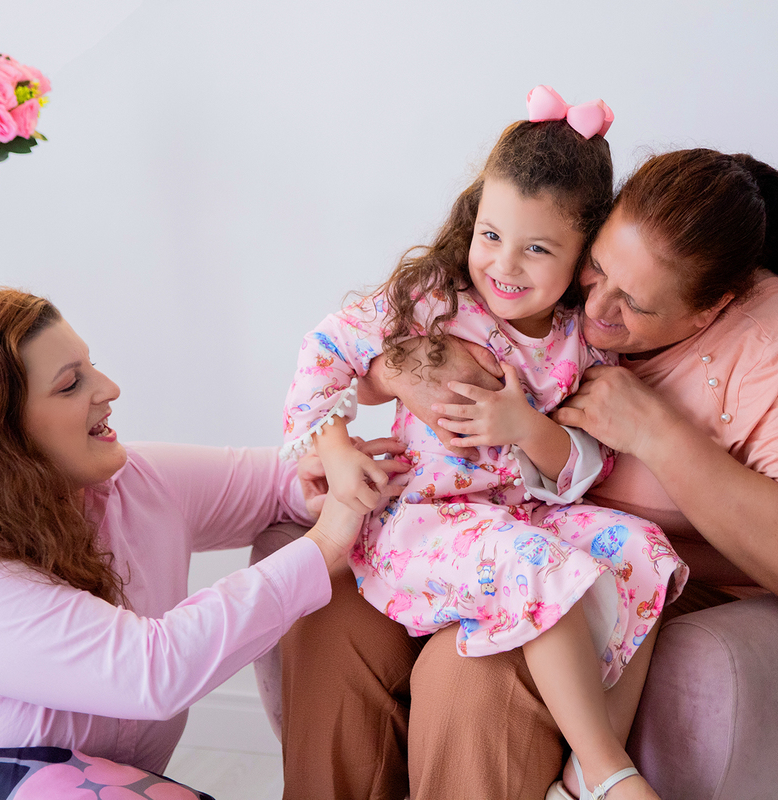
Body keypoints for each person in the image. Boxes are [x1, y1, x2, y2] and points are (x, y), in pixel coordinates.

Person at [278, 147, 778, 800]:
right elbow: (371, 346)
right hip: (475, 524)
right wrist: (398, 380)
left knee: (466, 677)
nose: (599, 309)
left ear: (707, 311)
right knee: (326, 618)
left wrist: (656, 432)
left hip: (562, 544)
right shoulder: (544, 285)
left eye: (635, 305)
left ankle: (599, 769)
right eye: (598, 269)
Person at [0, 289, 404, 799]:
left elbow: (282, 480)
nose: (108, 390)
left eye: (93, 367)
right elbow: (151, 670)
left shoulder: (126, 482)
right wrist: (325, 540)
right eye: (70, 383)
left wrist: (331, 475)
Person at [282, 87, 685, 800]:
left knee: (644, 550)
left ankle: (582, 775)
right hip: (425, 523)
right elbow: (326, 349)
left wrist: (529, 430)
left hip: (519, 518)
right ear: (473, 219)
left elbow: (589, 465)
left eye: (538, 249)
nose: (504, 265)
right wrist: (337, 447)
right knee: (533, 563)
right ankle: (607, 768)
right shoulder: (436, 299)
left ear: (582, 255)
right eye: (491, 236)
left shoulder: (577, 341)